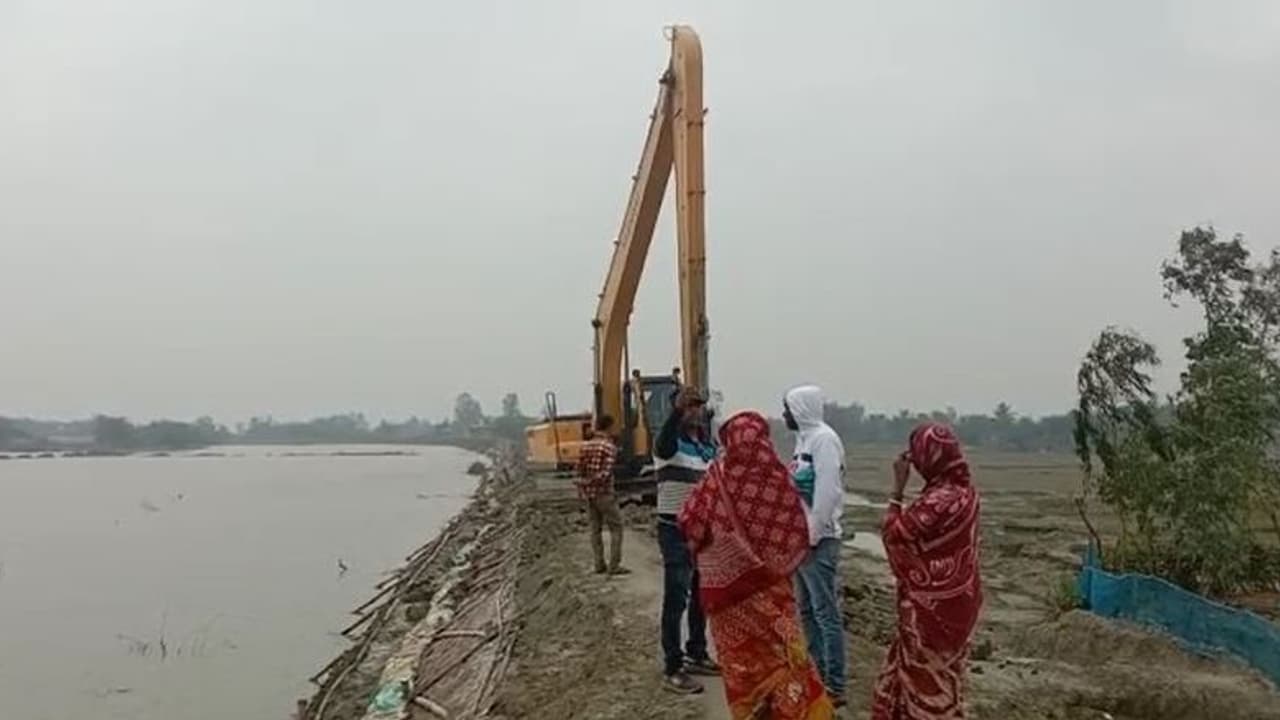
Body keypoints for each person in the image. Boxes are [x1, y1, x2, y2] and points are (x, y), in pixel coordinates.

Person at [678, 410, 835, 720]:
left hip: (727, 597)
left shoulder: (715, 479)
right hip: (773, 588)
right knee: (783, 654)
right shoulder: (778, 479)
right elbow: (794, 531)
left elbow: (689, 523)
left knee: (741, 662)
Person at [872, 423, 983, 720]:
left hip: (930, 613)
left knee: (924, 682)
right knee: (945, 674)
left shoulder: (937, 501)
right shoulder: (968, 494)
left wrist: (897, 489)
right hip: (962, 604)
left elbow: (894, 535)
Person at [783, 385, 848, 706]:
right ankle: (816, 674)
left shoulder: (824, 440)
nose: (784, 415)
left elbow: (827, 493)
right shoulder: (803, 441)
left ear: (801, 410)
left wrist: (811, 535)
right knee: (807, 610)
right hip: (801, 542)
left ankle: (834, 684)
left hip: (819, 542)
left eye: (788, 409)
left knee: (825, 613)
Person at [654, 385, 721, 694]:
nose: (695, 411)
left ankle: (697, 651)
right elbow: (664, 440)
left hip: (703, 532)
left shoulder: (706, 447)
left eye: (698, 406)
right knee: (676, 597)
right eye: (689, 406)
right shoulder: (668, 444)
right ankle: (673, 666)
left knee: (701, 595)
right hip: (675, 530)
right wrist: (676, 412)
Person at [575, 415, 628, 575]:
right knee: (617, 527)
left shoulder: (585, 446)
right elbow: (606, 472)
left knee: (595, 529)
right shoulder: (609, 447)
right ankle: (614, 565)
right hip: (604, 493)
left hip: (589, 495)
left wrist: (584, 484)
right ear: (609, 427)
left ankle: (599, 564)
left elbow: (578, 470)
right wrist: (593, 481)